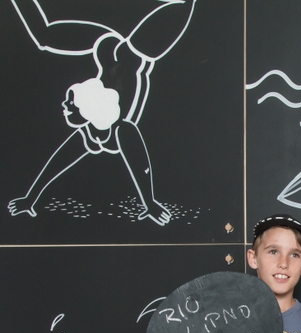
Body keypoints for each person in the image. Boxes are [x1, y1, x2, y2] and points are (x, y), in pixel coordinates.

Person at [8, 0, 196, 225]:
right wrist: (150, 203)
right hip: (129, 53)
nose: (64, 106)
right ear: (87, 110)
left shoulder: (93, 131)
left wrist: (30, 199)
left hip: (107, 47)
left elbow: (56, 163)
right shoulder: (120, 131)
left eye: (69, 102)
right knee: (133, 53)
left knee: (44, 38)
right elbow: (140, 165)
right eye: (71, 102)